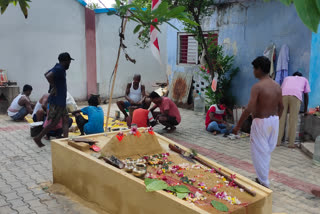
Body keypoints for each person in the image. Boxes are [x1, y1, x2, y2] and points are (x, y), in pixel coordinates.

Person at [233, 56, 283, 188]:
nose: (253, 72)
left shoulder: (258, 87)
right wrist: (277, 120)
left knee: (259, 153)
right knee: (265, 152)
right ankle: (263, 178)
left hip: (261, 122)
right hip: (274, 121)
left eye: (254, 69)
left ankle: (264, 182)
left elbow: (249, 108)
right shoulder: (277, 86)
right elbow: (281, 107)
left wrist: (238, 125)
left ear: (259, 69)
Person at [33, 52, 74, 147]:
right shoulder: (59, 69)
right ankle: (38, 138)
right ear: (66, 61)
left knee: (65, 120)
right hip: (57, 101)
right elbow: (48, 76)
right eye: (69, 61)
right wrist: (54, 87)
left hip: (60, 101)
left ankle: (66, 141)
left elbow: (46, 73)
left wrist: (53, 86)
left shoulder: (59, 67)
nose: (70, 64)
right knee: (54, 123)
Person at [277, 72, 311, 148]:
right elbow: (306, 95)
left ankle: (277, 142)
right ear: (300, 76)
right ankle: (291, 144)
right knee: (293, 120)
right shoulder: (304, 79)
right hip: (296, 97)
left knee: (281, 119)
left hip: (283, 96)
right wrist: (305, 109)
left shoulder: (287, 78)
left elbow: (282, 90)